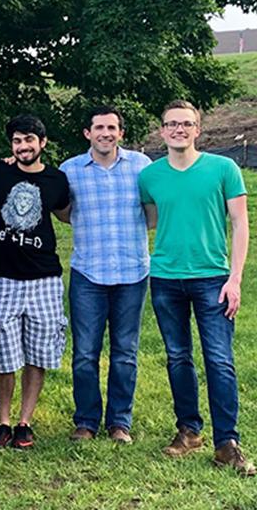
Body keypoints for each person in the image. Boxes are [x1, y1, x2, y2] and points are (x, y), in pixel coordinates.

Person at [139, 100, 254, 476]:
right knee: (177, 357)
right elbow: (152, 221)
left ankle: (227, 443)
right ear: (162, 131)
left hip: (212, 279)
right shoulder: (150, 176)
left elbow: (239, 224)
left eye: (186, 124)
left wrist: (234, 278)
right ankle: (188, 431)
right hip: (167, 277)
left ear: (197, 129)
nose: (179, 130)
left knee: (219, 359)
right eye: (171, 124)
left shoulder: (224, 168)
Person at [0, 115, 70, 450]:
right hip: (4, 279)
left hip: (44, 278)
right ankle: (2, 421)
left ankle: (25, 422)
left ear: (43, 143)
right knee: (3, 354)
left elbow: (66, 213)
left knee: (38, 353)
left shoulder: (57, 179)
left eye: (29, 139)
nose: (23, 146)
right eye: (16, 140)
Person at [59, 106, 151, 444]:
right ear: (88, 133)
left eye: (112, 127)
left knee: (125, 352)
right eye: (99, 127)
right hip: (88, 273)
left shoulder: (141, 166)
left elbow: (152, 212)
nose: (105, 133)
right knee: (85, 353)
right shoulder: (69, 170)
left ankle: (119, 423)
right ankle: (85, 421)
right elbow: (62, 212)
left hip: (132, 272)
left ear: (121, 133)